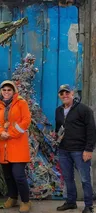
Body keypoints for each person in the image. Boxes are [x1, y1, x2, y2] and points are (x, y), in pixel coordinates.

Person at [0, 80, 32, 213]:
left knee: (18, 175)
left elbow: (26, 121)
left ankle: (26, 201)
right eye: (4, 90)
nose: (6, 92)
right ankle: (12, 197)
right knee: (7, 175)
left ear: (14, 91)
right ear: (1, 91)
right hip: (4, 145)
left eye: (9, 90)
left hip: (17, 145)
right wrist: (1, 132)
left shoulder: (21, 103)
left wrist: (10, 133)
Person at [54, 84, 95, 213]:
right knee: (67, 178)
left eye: (67, 92)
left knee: (85, 178)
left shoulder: (84, 109)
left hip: (80, 150)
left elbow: (91, 130)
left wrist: (88, 149)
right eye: (62, 93)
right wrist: (56, 139)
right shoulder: (59, 110)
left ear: (72, 93)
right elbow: (58, 129)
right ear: (59, 96)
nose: (64, 95)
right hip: (63, 150)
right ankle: (71, 202)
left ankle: (88, 206)